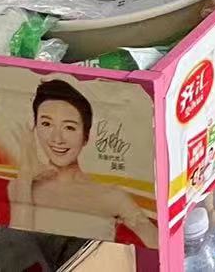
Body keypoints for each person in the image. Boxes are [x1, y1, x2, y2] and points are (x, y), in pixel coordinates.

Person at [9, 79, 158, 247]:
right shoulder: (19, 187)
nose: (57, 138)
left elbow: (158, 244)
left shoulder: (111, 196)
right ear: (35, 127)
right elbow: (18, 244)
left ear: (85, 136)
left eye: (69, 127)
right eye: (46, 124)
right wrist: (25, 175)